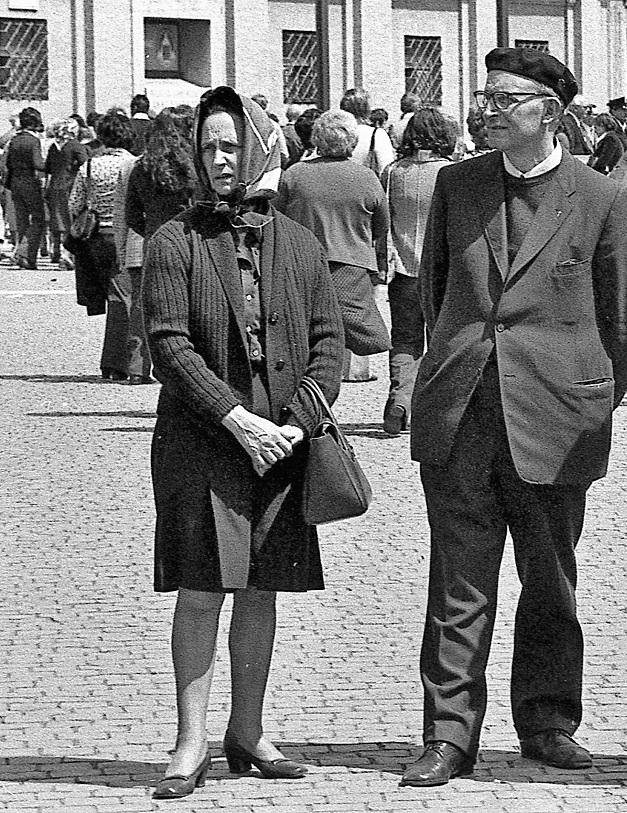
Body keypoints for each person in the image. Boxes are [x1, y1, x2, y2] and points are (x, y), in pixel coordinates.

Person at [401, 46, 627, 788]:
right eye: (486, 97)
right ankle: (449, 734)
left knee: (550, 580)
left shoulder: (602, 197)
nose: (488, 110)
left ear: (551, 113)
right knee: (458, 583)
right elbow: (436, 291)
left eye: (506, 100)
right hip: (462, 417)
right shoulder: (458, 185)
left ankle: (547, 721)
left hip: (555, 423)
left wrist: (586, 394)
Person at [142, 85, 343, 801]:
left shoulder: (300, 243)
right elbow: (168, 345)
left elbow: (328, 342)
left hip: (280, 446)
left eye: (233, 145)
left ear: (260, 149)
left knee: (262, 590)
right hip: (204, 442)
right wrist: (236, 418)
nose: (221, 159)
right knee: (202, 590)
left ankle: (248, 730)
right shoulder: (174, 241)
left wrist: (296, 422)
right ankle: (190, 740)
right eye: (209, 148)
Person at [275, 109, 393, 382]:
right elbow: (381, 226)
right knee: (347, 330)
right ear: (352, 141)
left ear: (316, 139)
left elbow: (275, 218)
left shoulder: (294, 174)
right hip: (353, 266)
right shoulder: (366, 177)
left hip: (301, 265)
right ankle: (342, 377)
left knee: (305, 329)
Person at [381, 106, 457, 434]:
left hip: (402, 268)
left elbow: (384, 218)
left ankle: (400, 398)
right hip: (442, 271)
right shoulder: (451, 172)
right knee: (442, 340)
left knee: (404, 340)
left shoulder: (393, 172)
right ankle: (435, 408)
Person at [68, 113, 144, 379]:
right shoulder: (134, 164)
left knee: (115, 298)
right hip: (125, 234)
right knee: (125, 299)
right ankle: (122, 363)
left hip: (97, 236)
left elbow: (74, 203)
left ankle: (113, 362)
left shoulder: (90, 165)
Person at [126, 111, 199, 241]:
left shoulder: (140, 169)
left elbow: (132, 217)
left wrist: (150, 231)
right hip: (185, 236)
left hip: (155, 236)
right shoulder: (189, 166)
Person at [44, 117, 88, 269]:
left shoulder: (53, 146)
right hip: (70, 185)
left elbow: (48, 167)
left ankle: (55, 250)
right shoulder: (76, 146)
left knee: (57, 221)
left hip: (54, 185)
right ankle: (67, 254)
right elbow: (86, 164)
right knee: (71, 220)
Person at [4, 107, 46, 270]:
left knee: (21, 220)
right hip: (29, 181)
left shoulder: (14, 140)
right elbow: (38, 163)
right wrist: (51, 165)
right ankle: (25, 253)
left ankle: (24, 255)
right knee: (38, 219)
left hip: (15, 182)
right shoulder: (33, 141)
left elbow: (8, 163)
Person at [341, 87, 397, 177]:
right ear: (366, 109)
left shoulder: (335, 133)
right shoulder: (376, 134)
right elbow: (386, 170)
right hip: (365, 182)